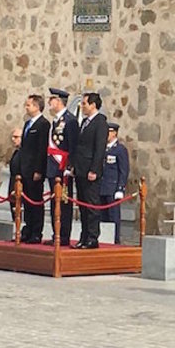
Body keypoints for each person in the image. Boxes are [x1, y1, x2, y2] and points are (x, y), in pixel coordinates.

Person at [69, 92, 108, 249]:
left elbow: (99, 149)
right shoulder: (85, 122)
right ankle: (84, 236)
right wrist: (74, 166)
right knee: (83, 205)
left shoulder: (100, 123)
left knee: (92, 205)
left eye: (85, 103)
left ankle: (92, 237)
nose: (82, 106)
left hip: (90, 171)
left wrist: (94, 170)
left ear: (93, 105)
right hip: (80, 169)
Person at [45, 88, 79, 246]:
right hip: (53, 166)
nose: (49, 102)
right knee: (54, 201)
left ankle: (64, 235)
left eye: (52, 99)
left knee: (63, 203)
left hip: (62, 166)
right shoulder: (56, 120)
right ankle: (56, 233)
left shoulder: (70, 121)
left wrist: (70, 166)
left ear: (59, 101)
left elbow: (73, 146)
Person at [19, 94, 51, 243]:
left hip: (34, 169)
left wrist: (39, 169)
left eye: (29, 105)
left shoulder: (43, 124)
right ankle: (28, 228)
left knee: (35, 201)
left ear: (37, 107)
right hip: (25, 168)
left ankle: (36, 232)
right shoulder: (28, 124)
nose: (26, 107)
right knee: (27, 201)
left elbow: (41, 149)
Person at [100, 122, 129, 244]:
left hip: (113, 187)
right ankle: (104, 238)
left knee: (113, 216)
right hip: (102, 187)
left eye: (109, 132)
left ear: (114, 133)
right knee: (102, 216)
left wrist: (120, 188)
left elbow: (124, 170)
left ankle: (115, 240)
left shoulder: (120, 150)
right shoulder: (102, 148)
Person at [8, 128, 22, 222]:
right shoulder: (17, 152)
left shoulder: (24, 153)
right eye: (12, 137)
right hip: (13, 184)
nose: (13, 139)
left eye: (16, 137)